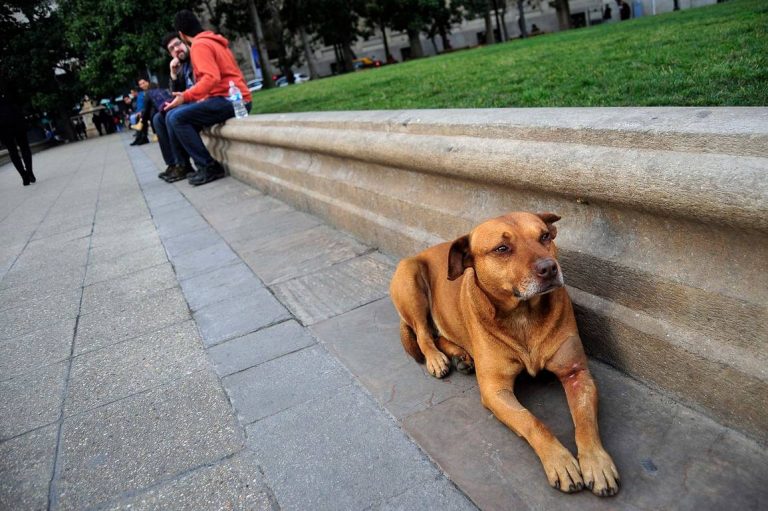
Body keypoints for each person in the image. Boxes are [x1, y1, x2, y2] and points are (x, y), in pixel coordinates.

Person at [163, 10, 252, 186]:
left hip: (232, 100)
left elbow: (211, 78)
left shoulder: (199, 45)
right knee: (174, 115)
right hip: (234, 98)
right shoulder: (213, 40)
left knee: (177, 118)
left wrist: (186, 96)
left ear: (182, 35)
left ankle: (209, 166)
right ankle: (187, 165)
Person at [150, 33, 196, 183]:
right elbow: (175, 93)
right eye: (172, 49)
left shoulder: (196, 57)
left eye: (178, 44)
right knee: (158, 118)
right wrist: (173, 75)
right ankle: (174, 164)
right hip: (189, 103)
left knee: (172, 115)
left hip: (199, 102)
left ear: (185, 42)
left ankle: (183, 164)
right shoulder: (181, 66)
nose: (176, 49)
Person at [0, 95, 36, 186]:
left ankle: (24, 176)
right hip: (16, 118)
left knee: (12, 151)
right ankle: (29, 173)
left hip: (3, 124)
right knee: (24, 147)